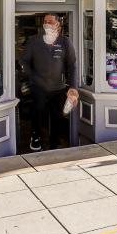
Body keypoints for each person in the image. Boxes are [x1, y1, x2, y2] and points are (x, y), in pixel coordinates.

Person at [19, 14, 78, 151]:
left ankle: (55, 142)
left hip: (58, 87)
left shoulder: (65, 42)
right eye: (45, 22)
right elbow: (24, 61)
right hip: (38, 86)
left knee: (57, 116)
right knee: (37, 112)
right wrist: (32, 76)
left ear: (58, 24)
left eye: (50, 22)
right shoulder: (34, 41)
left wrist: (73, 87)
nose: (47, 24)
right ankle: (36, 136)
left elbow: (72, 65)